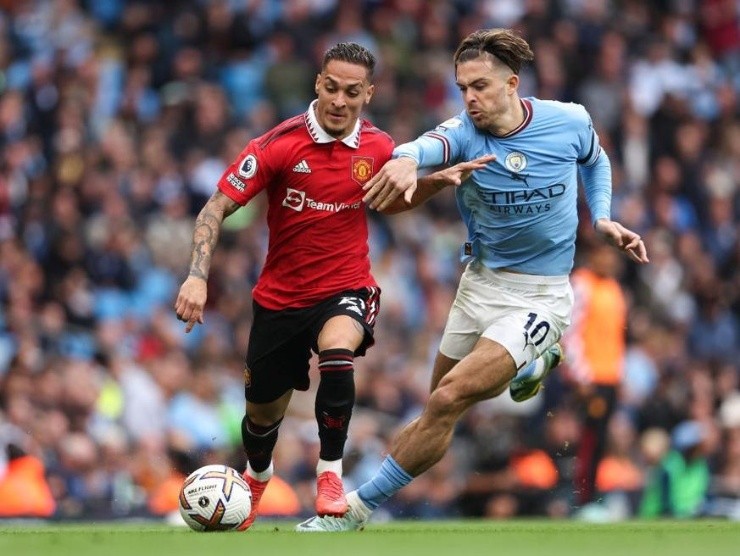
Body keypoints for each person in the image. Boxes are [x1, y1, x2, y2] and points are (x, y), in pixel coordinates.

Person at [295, 28, 649, 532]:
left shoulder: (569, 120)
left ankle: (355, 509)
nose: (470, 98)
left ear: (512, 83)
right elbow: (422, 146)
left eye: (480, 86)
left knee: (448, 397)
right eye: (462, 87)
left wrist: (603, 218)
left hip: (540, 295)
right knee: (436, 412)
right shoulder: (463, 132)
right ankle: (537, 359)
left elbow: (595, 159)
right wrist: (404, 162)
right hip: (479, 285)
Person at [174, 42, 396, 530]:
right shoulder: (278, 144)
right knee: (260, 421)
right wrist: (196, 275)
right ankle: (256, 478)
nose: (339, 100)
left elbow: (403, 197)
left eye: (352, 92)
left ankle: (330, 473)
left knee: (339, 353)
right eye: (332, 87)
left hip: (346, 287)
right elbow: (215, 206)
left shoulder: (380, 148)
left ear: (368, 94)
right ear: (318, 84)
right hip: (279, 301)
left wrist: (440, 179)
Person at [561, 240, 628, 506]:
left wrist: (619, 375)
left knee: (599, 438)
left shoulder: (613, 288)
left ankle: (590, 495)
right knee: (587, 439)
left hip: (609, 376)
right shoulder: (582, 283)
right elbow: (571, 332)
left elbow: (615, 338)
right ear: (593, 255)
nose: (610, 261)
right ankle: (580, 497)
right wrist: (581, 376)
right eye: (604, 254)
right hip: (590, 378)